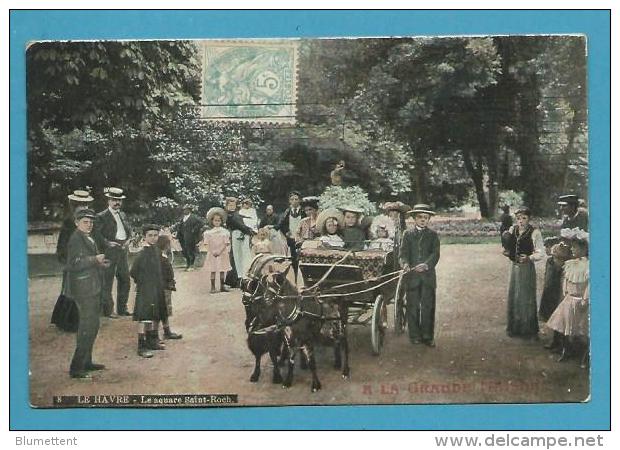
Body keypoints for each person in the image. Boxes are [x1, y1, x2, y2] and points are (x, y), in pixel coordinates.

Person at [65, 208, 110, 378]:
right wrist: (94, 259)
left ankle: (87, 362)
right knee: (87, 326)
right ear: (77, 222)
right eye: (85, 222)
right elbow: (73, 264)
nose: (89, 224)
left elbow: (88, 260)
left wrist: (100, 263)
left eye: (91, 222)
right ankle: (76, 368)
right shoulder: (75, 239)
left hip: (92, 286)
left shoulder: (87, 237)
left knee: (93, 325)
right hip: (83, 289)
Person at [51, 189, 93, 332]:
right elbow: (63, 244)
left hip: (85, 259)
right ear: (74, 205)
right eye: (81, 204)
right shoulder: (69, 222)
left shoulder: (88, 221)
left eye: (86, 204)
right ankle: (68, 322)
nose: (84, 207)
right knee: (71, 290)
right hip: (73, 260)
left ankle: (81, 320)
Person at [399, 204, 441, 347]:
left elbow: (435, 254)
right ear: (414, 219)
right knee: (412, 306)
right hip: (412, 278)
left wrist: (426, 264)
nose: (423, 220)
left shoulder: (433, 235)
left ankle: (428, 336)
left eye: (425, 218)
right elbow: (403, 254)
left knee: (428, 307)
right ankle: (415, 335)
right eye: (420, 217)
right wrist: (404, 264)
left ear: (428, 219)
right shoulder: (408, 235)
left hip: (428, 277)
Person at [546, 230, 589, 366]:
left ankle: (585, 354)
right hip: (569, 299)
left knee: (581, 329)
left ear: (584, 249)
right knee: (564, 325)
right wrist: (565, 291)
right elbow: (566, 279)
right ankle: (566, 349)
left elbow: (589, 285)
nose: (572, 249)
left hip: (580, 300)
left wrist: (585, 298)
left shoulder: (588, 265)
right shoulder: (570, 263)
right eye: (572, 247)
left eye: (575, 247)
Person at [502, 206, 545, 339]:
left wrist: (530, 257)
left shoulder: (535, 232)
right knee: (514, 293)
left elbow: (540, 252)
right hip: (514, 266)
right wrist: (506, 251)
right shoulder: (512, 230)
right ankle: (514, 327)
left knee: (525, 296)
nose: (521, 221)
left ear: (529, 218)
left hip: (526, 268)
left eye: (524, 218)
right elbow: (507, 246)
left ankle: (528, 329)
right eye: (518, 218)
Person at [93, 187, 132, 318]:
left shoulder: (123, 214)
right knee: (107, 280)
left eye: (119, 200)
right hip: (109, 251)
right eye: (114, 200)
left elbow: (129, 230)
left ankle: (122, 308)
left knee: (125, 279)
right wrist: (108, 243)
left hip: (122, 250)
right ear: (108, 201)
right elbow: (97, 235)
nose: (117, 203)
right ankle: (108, 310)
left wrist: (128, 240)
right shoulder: (101, 216)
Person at [130, 224, 168, 358]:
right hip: (146, 288)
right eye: (150, 235)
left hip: (156, 287)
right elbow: (133, 271)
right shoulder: (142, 254)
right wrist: (143, 282)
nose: (153, 238)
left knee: (155, 313)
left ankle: (152, 341)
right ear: (144, 237)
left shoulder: (156, 251)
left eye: (155, 235)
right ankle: (141, 345)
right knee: (144, 315)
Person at [156, 235, 183, 340]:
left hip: (166, 286)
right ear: (166, 245)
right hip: (163, 286)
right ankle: (158, 333)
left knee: (165, 309)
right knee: (162, 309)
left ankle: (166, 330)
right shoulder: (160, 258)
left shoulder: (163, 256)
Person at [224, 197, 256, 283]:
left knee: (243, 254)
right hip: (236, 234)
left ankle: (243, 275)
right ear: (226, 206)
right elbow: (238, 224)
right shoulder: (230, 215)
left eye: (233, 205)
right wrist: (248, 231)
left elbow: (243, 221)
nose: (231, 207)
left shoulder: (237, 213)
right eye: (229, 205)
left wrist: (249, 230)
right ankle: (238, 277)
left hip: (242, 234)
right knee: (237, 255)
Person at [202, 207, 232, 293]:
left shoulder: (225, 232)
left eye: (219, 221)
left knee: (222, 269)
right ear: (212, 221)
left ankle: (222, 285)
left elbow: (226, 243)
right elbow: (206, 244)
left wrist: (220, 251)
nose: (217, 222)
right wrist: (212, 251)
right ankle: (212, 286)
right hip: (212, 253)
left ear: (221, 221)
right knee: (213, 269)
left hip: (222, 253)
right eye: (215, 220)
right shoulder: (208, 233)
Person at [276, 191, 305, 269]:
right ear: (289, 201)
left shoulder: (303, 211)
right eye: (292, 199)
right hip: (291, 238)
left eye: (296, 199)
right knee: (292, 258)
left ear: (300, 200)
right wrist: (286, 232)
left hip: (302, 238)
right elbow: (281, 224)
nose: (294, 201)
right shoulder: (287, 212)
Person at [175, 204, 204, 272]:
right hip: (182, 237)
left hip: (190, 237)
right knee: (184, 250)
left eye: (186, 209)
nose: (184, 211)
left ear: (189, 210)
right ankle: (188, 264)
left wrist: (194, 230)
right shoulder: (183, 218)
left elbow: (201, 223)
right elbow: (180, 226)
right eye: (184, 210)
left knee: (190, 250)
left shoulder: (193, 217)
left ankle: (191, 264)